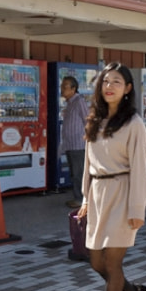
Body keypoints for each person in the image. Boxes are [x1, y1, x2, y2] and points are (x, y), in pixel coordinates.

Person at [76, 62, 146, 291]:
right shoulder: (94, 118)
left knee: (112, 261)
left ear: (128, 88)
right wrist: (85, 196)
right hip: (97, 194)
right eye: (106, 81)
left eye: (117, 82)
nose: (110, 86)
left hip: (122, 193)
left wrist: (136, 209)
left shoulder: (134, 124)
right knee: (96, 262)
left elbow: (140, 169)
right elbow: (88, 162)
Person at [59, 75, 90, 209]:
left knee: (78, 173)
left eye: (65, 87)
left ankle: (81, 199)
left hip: (78, 144)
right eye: (62, 86)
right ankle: (78, 197)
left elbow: (87, 120)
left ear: (73, 89)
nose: (62, 89)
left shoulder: (79, 102)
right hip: (70, 145)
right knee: (74, 173)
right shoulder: (70, 103)